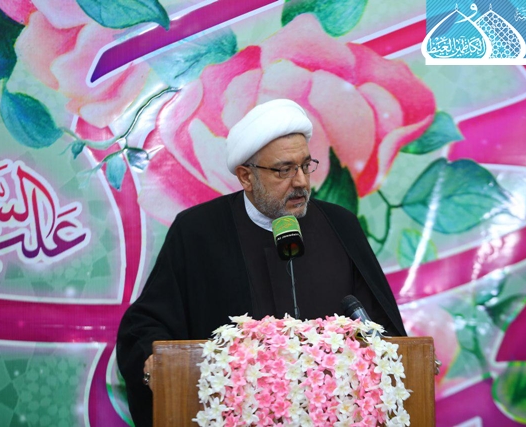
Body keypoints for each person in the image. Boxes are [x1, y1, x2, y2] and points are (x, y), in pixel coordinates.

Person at [116, 99, 406, 426]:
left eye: (305, 165)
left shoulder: (340, 226)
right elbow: (148, 322)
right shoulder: (199, 231)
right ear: (246, 177)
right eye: (284, 170)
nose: (300, 182)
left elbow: (381, 328)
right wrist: (152, 360)